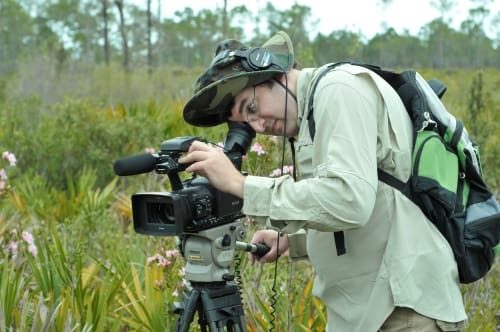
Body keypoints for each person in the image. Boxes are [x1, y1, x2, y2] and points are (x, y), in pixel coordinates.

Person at [178, 31, 468, 332]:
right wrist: (294, 240)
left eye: (252, 108)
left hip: (402, 309)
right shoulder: (310, 113)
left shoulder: (338, 89)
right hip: (366, 312)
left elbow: (350, 200)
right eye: (247, 124)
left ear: (275, 76)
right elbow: (367, 204)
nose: (260, 125)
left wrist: (241, 185)